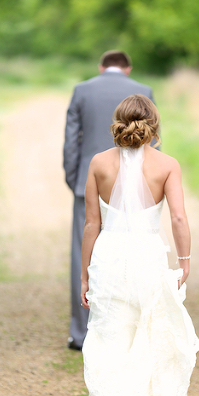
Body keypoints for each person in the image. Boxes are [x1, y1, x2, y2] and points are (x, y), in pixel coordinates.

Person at [80, 95, 199, 396]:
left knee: (110, 343)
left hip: (110, 258)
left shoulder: (99, 163)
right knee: (146, 340)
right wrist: (184, 261)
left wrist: (84, 274)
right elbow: (179, 219)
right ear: (154, 125)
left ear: (118, 122)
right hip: (148, 256)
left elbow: (91, 225)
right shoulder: (167, 165)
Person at [63, 50, 155, 351]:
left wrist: (74, 179)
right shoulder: (144, 91)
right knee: (132, 252)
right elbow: (154, 144)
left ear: (101, 67)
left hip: (87, 182)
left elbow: (71, 140)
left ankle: (82, 333)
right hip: (139, 188)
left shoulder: (82, 90)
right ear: (128, 69)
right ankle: (129, 330)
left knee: (84, 251)